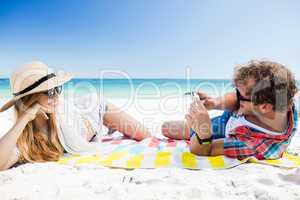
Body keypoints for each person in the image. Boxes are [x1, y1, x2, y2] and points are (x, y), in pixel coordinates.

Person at [0, 61, 151, 171]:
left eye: (58, 88)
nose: (57, 96)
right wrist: (24, 119)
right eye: (50, 92)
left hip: (95, 109)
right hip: (79, 115)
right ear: (29, 100)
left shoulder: (59, 117)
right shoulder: (25, 138)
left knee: (145, 135)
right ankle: (110, 129)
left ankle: (109, 127)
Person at [162, 60, 298, 160]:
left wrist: (203, 132)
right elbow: (238, 99)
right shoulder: (282, 98)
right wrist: (215, 102)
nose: (236, 97)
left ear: (264, 107)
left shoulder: (254, 146)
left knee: (167, 128)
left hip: (221, 131)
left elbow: (205, 150)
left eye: (240, 95)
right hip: (233, 118)